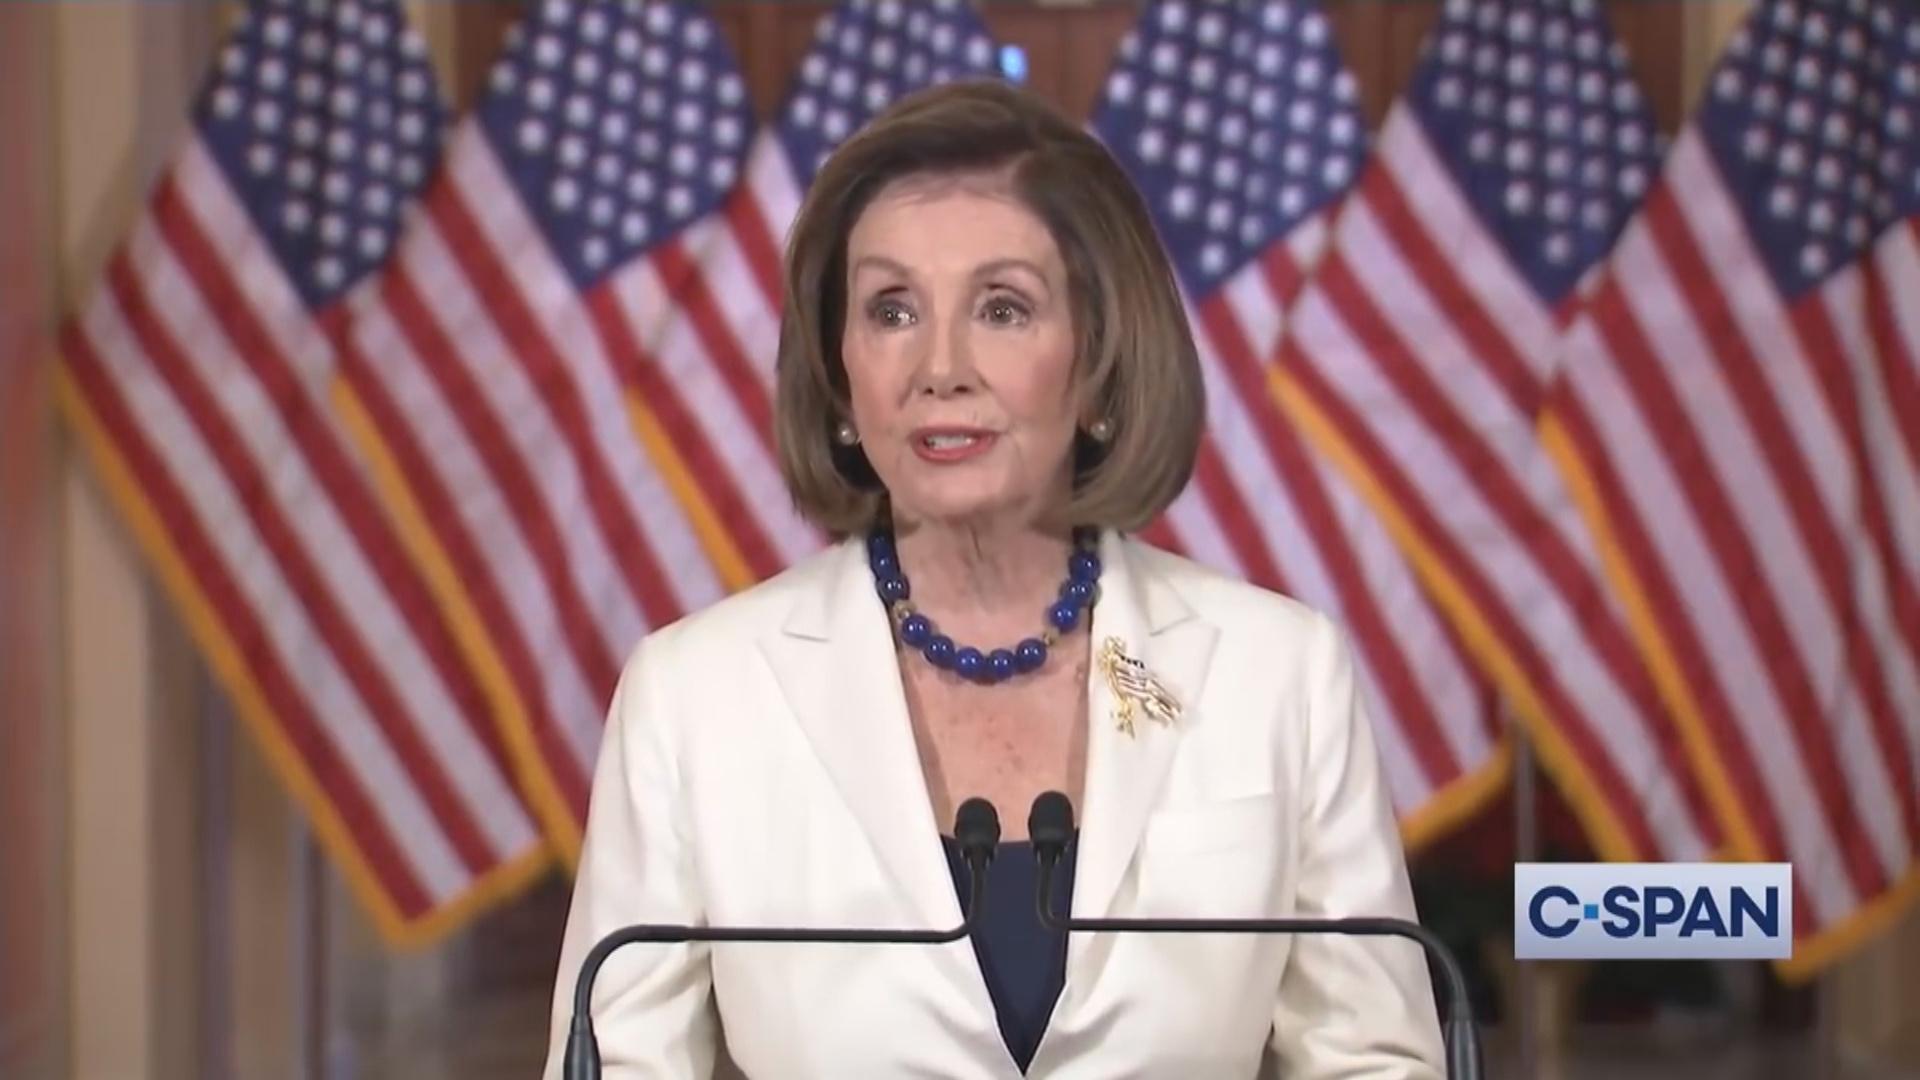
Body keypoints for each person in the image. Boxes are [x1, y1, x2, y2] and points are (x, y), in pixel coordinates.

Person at [542, 79, 1444, 1079]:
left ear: (1098, 364)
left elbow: (1377, 1060)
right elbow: (617, 1062)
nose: (940, 366)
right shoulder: (694, 696)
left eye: (1002, 308)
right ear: (842, 384)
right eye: (891, 310)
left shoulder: (1279, 674)